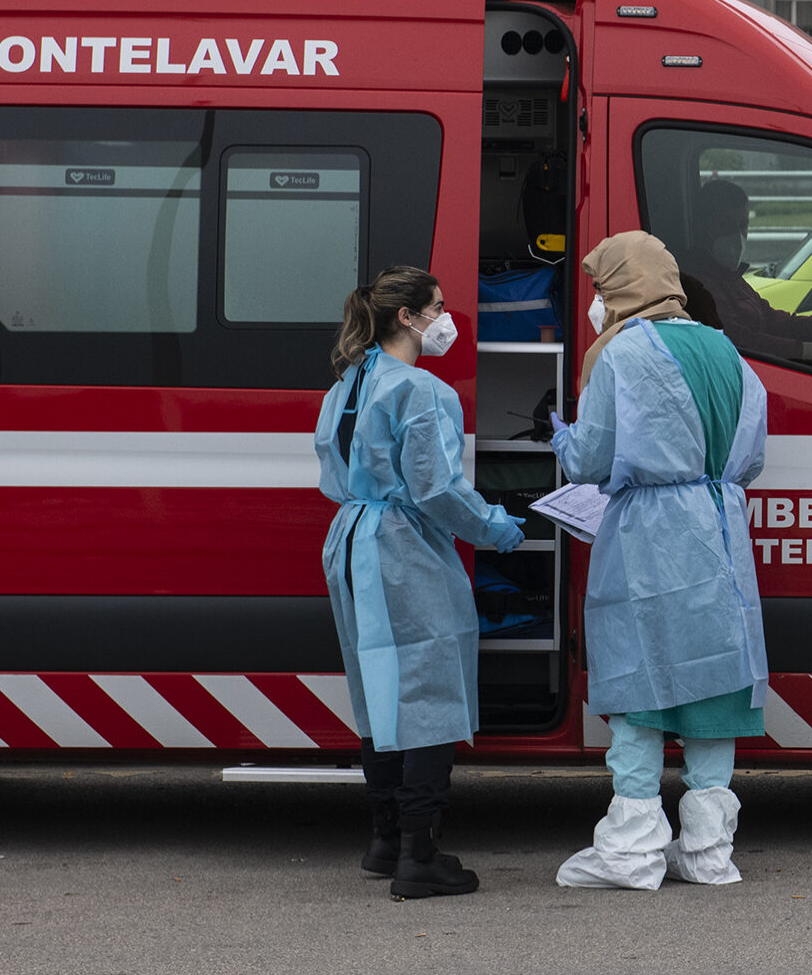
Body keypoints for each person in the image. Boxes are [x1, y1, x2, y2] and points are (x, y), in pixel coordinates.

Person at [554, 232, 770, 890]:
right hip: (720, 528)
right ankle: (708, 852)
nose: (595, 303)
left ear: (622, 287)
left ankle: (633, 850)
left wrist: (563, 435)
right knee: (714, 686)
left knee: (640, 687)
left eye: (599, 289)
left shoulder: (623, 352)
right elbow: (752, 456)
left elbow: (591, 461)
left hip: (649, 536)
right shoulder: (728, 350)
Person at [314, 265, 526, 900]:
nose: (446, 318)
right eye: (438, 306)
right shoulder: (421, 390)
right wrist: (494, 527)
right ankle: (420, 855)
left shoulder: (347, 384)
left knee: (376, 688)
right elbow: (436, 487)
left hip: (351, 538)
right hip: (402, 547)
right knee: (428, 691)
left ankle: (384, 840)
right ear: (408, 317)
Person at [675, 180, 812, 362]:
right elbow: (741, 342)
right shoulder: (695, 282)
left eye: (743, 225)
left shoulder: (729, 276)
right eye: (726, 225)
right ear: (702, 227)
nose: (738, 236)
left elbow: (777, 323)